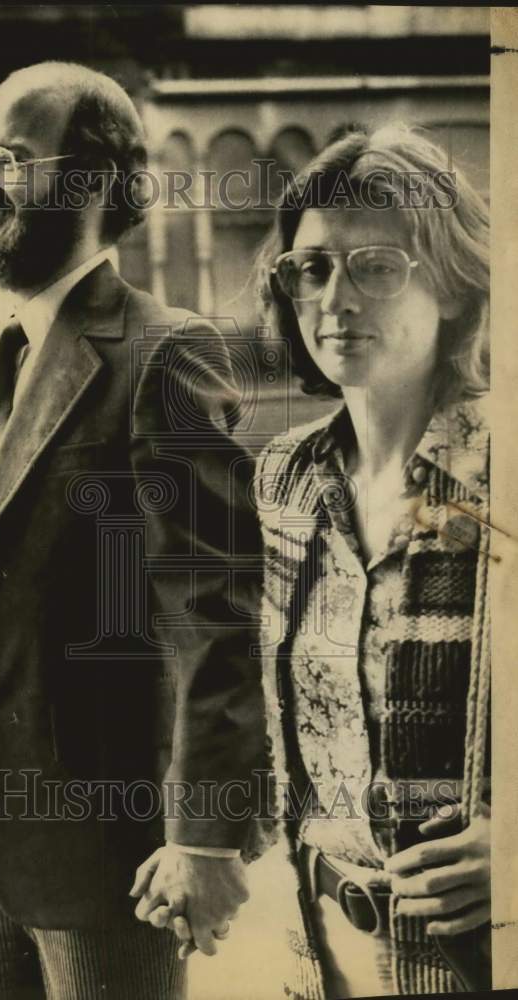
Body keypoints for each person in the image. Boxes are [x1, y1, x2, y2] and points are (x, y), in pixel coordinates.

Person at [0, 61, 267, 999]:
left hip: (102, 846)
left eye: (4, 159)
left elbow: (215, 614)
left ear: (90, 182)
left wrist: (203, 834)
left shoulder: (163, 350)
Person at [244, 125, 491, 997]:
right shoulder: (285, 474)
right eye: (311, 269)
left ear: (455, 287)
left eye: (376, 266)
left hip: (481, 954)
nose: (334, 299)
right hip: (321, 949)